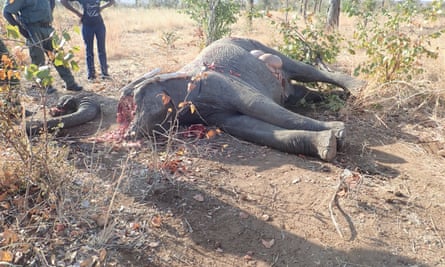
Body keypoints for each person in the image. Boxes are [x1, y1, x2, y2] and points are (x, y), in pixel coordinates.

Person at [3, 0, 83, 93]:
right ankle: (45, 86)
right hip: (33, 29)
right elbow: (6, 12)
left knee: (58, 56)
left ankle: (70, 83)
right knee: (38, 59)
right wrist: (21, 30)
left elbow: (52, 2)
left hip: (48, 28)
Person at [60, 0, 114, 81]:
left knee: (102, 49)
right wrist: (77, 13)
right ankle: (91, 75)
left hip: (99, 25)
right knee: (89, 51)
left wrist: (102, 7)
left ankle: (105, 73)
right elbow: (63, 1)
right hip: (87, 25)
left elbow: (112, 1)